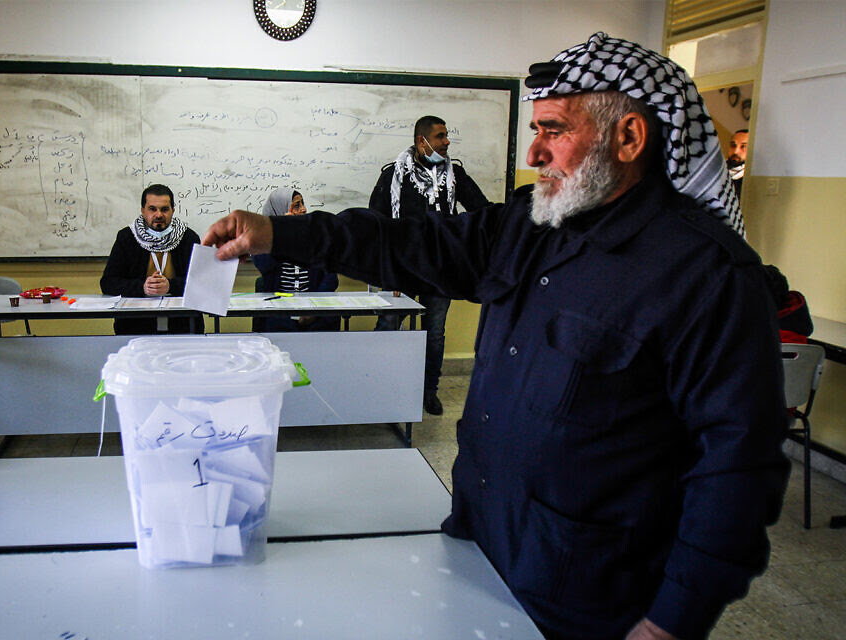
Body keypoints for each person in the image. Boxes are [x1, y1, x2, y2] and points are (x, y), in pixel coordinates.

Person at [205, 33, 788, 640]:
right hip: (481, 542)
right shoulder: (530, 224)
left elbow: (738, 466)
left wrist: (672, 621)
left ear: (630, 138)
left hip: (592, 593)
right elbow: (406, 243)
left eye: (555, 130)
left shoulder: (708, 276)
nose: (534, 150)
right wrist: (278, 233)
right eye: (534, 129)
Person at [369, 115, 490, 415]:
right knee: (388, 325)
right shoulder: (393, 175)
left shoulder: (455, 175)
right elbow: (375, 222)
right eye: (440, 136)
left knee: (434, 333)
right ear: (421, 141)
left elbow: (482, 211)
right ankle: (375, 386)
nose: (447, 141)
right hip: (401, 270)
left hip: (440, 269)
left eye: (447, 135)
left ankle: (428, 392)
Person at [101, 183, 204, 335]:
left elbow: (202, 283)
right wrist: (142, 287)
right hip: (135, 326)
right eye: (152, 209)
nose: (158, 215)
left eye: (164, 209)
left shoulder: (188, 238)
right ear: (143, 211)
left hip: (183, 325)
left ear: (173, 211)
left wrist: (171, 286)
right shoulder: (127, 238)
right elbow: (108, 283)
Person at [252, 188, 339, 332]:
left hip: (316, 311)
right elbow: (264, 265)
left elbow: (331, 279)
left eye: (303, 204)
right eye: (297, 206)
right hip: (279, 314)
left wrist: (314, 309)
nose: (304, 209)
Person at [727, 129, 748, 198]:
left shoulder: (750, 181)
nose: (736, 151)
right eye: (733, 145)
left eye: (743, 146)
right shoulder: (717, 167)